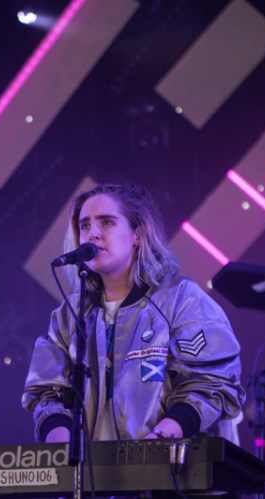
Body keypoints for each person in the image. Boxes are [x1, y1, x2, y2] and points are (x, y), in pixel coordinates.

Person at [22, 183, 244, 445]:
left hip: (173, 466)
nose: (93, 234)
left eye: (107, 222)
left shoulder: (183, 299)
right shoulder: (69, 314)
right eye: (85, 226)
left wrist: (155, 444)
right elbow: (46, 391)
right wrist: (60, 451)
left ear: (137, 234)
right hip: (91, 471)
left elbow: (212, 384)